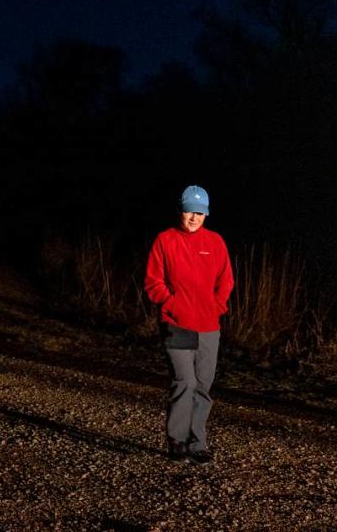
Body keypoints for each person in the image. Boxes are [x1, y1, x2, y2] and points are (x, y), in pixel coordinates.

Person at [145, 185, 234, 465]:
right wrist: (172, 305)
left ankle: (197, 443)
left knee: (203, 385)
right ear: (180, 211)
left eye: (200, 212)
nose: (194, 218)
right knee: (185, 381)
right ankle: (177, 441)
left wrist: (216, 307)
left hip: (208, 327)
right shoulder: (165, 241)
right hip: (177, 324)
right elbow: (153, 282)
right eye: (189, 211)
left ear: (206, 214)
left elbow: (226, 280)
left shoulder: (216, 242)